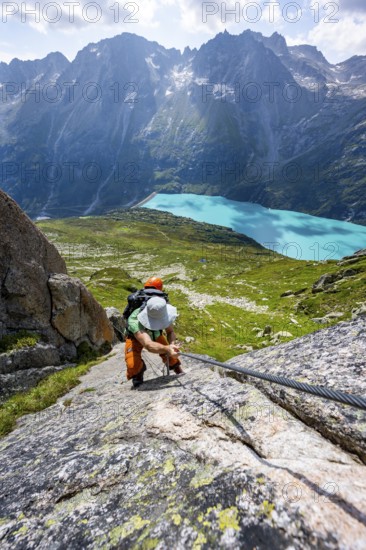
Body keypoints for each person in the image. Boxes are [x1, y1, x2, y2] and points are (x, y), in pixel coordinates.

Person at [124, 279, 184, 388]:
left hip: (156, 334)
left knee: (171, 356)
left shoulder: (162, 311)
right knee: (132, 365)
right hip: (135, 337)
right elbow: (148, 344)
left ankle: (176, 367)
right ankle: (138, 370)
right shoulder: (134, 320)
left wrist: (172, 345)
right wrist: (167, 349)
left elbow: (170, 332)